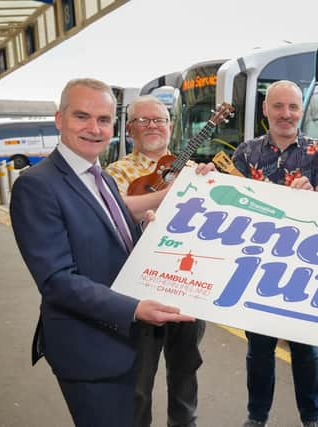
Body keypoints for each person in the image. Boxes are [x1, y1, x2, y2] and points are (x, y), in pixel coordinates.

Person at [9, 78, 196, 427]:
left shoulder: (100, 176)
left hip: (122, 339)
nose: (94, 129)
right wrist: (136, 308)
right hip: (89, 350)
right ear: (59, 119)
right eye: (82, 116)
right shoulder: (36, 186)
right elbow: (57, 281)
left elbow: (112, 240)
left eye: (104, 119)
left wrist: (142, 231)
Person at [231, 80, 318, 427]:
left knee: (306, 349)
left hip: (305, 270)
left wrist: (311, 197)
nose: (286, 114)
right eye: (278, 106)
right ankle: (256, 417)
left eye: (293, 107)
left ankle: (312, 418)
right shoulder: (245, 153)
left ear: (301, 110)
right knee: (258, 350)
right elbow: (231, 207)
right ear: (265, 109)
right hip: (257, 267)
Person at [106, 95, 206, 427]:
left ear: (171, 126)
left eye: (159, 120)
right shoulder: (115, 172)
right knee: (137, 382)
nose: (153, 126)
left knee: (185, 375)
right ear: (130, 129)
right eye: (144, 120)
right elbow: (115, 216)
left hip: (186, 288)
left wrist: (214, 184)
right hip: (140, 290)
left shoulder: (193, 169)